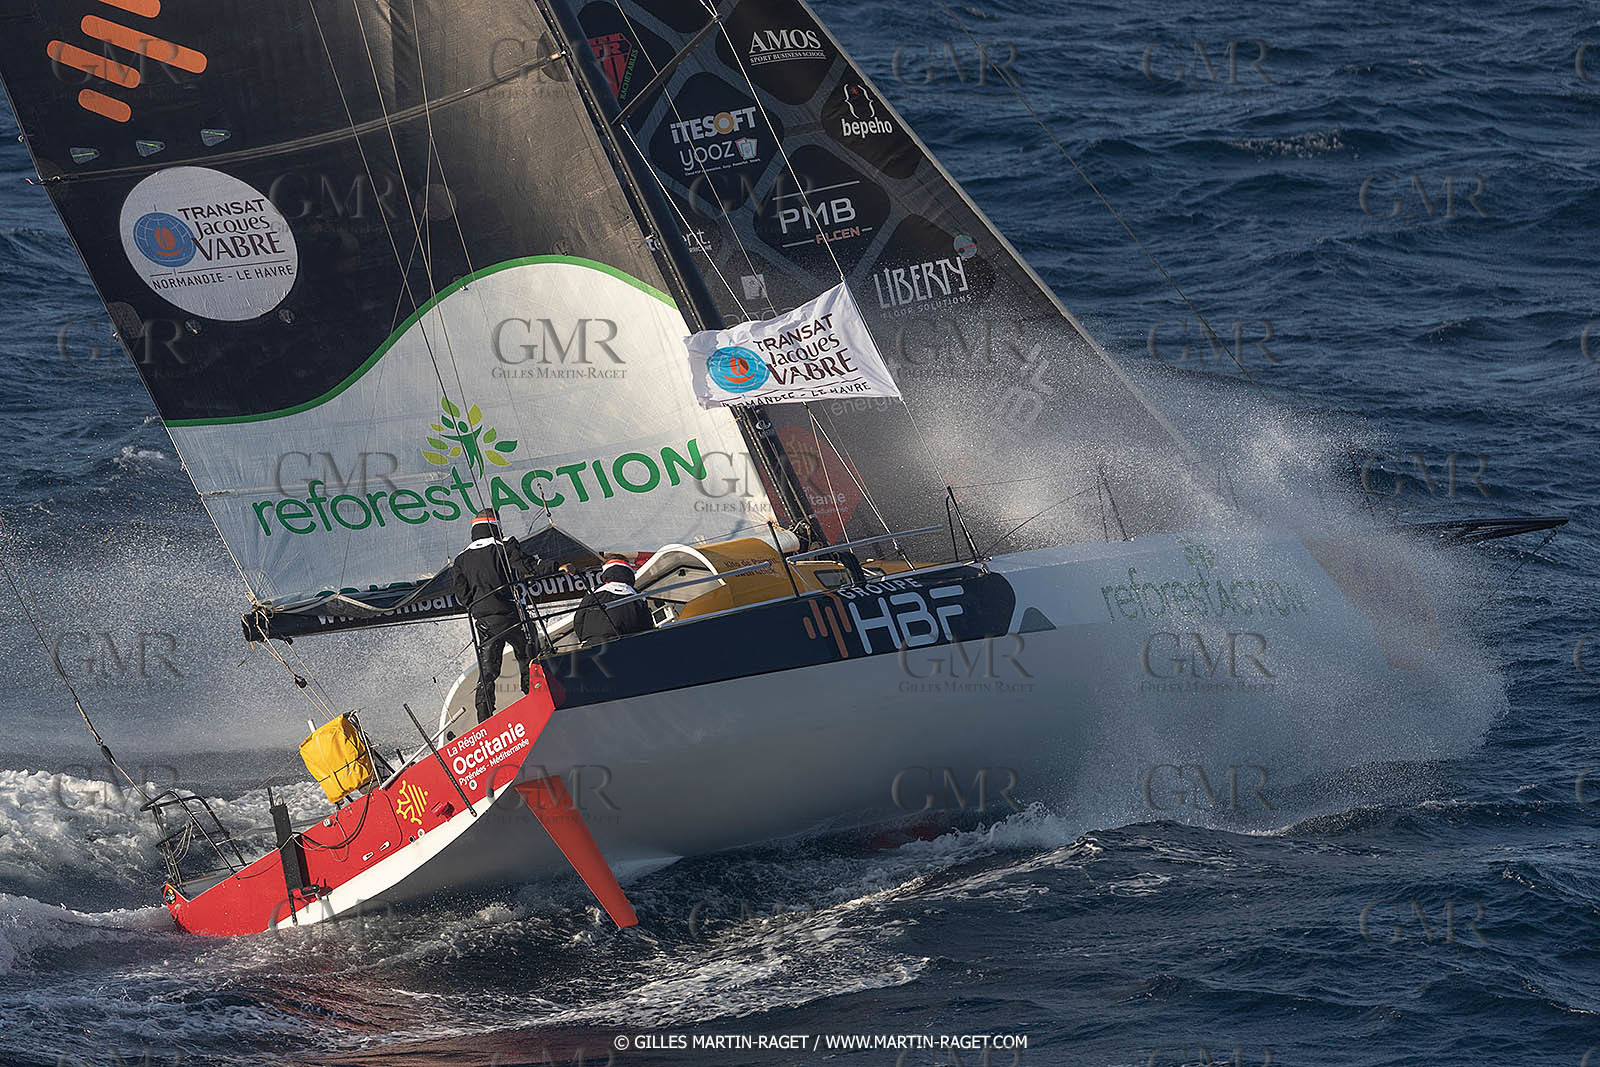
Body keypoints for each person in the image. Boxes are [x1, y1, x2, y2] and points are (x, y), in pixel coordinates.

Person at [452, 509, 545, 723]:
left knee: (488, 671)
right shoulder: (504, 545)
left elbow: (462, 595)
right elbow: (526, 565)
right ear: (496, 525)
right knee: (529, 656)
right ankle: (535, 699)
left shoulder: (460, 559)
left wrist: (479, 606)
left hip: (484, 622)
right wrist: (556, 566)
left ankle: (484, 719)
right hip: (511, 615)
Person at [573, 556, 654, 647]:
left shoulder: (594, 591)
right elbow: (647, 626)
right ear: (629, 573)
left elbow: (579, 619)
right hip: (628, 646)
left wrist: (584, 641)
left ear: (606, 571)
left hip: (594, 644)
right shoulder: (638, 596)